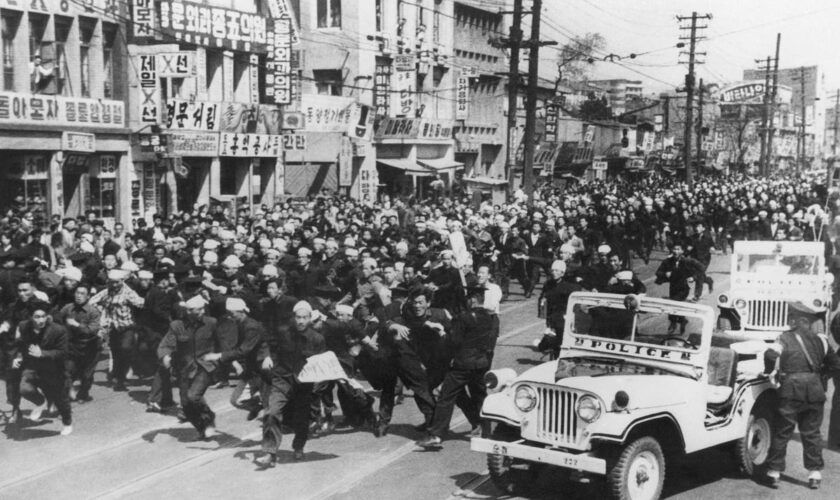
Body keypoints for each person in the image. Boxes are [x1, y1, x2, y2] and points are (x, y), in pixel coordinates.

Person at [764, 301, 840, 490]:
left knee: (783, 431)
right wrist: (820, 376)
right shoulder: (822, 340)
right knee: (812, 433)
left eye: (792, 317)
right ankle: (814, 474)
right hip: (815, 391)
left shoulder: (784, 338)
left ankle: (774, 472)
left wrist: (767, 372)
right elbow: (836, 364)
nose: (790, 320)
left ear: (798, 320)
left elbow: (771, 355)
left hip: (790, 390)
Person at [416, 286, 492, 448]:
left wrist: (442, 331)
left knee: (446, 397)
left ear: (472, 300)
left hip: (462, 365)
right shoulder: (489, 317)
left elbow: (453, 342)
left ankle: (436, 435)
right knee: (480, 396)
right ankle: (486, 431)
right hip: (481, 364)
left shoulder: (462, 318)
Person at [257, 300, 326, 466]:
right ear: (293, 318)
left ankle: (298, 446)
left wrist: (318, 385)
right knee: (272, 412)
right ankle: (270, 453)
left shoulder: (317, 339)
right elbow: (267, 343)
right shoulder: (283, 332)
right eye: (298, 317)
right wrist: (266, 356)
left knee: (301, 420)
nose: (301, 321)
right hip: (282, 379)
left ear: (310, 318)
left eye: (304, 317)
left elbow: (322, 363)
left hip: (304, 384)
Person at [157, 295, 220, 440]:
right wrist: (165, 355)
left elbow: (222, 342)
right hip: (184, 368)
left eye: (195, 310)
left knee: (193, 396)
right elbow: (166, 344)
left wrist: (225, 360)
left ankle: (208, 417)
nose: (190, 313)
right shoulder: (177, 325)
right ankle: (201, 427)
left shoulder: (211, 323)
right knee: (186, 403)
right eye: (189, 310)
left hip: (206, 366)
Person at [10, 303, 73, 435]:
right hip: (32, 367)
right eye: (37, 317)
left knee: (60, 400)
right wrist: (17, 357)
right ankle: (41, 402)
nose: (41, 320)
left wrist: (43, 353)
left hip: (54, 370)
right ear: (30, 317)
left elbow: (63, 353)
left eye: (44, 316)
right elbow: (20, 345)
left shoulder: (58, 330)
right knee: (24, 389)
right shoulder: (23, 326)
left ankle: (67, 423)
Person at [89, 269, 145, 391]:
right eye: (111, 282)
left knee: (125, 349)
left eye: (116, 282)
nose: (114, 285)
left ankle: (123, 372)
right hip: (113, 327)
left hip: (127, 326)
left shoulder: (128, 292)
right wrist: (100, 308)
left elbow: (140, 303)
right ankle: (118, 379)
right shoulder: (107, 292)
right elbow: (91, 301)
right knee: (116, 353)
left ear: (122, 281)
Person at [56, 283, 101, 402]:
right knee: (68, 371)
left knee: (87, 376)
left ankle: (84, 393)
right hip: (72, 346)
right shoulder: (68, 308)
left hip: (90, 347)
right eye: (77, 293)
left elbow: (92, 330)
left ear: (88, 296)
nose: (79, 296)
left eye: (82, 294)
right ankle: (68, 392)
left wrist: (76, 325)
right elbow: (57, 320)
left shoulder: (93, 311)